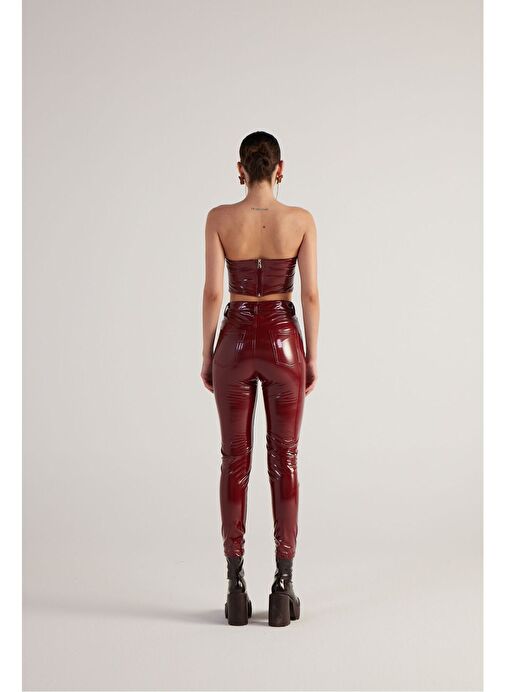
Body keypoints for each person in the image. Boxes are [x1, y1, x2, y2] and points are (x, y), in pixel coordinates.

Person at [201, 131, 319, 626]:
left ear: (240, 170)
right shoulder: (300, 220)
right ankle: (283, 586)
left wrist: (207, 353)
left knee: (235, 460)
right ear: (280, 169)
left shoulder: (219, 219)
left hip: (234, 339)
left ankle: (234, 587)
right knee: (283, 458)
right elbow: (310, 295)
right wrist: (310, 356)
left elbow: (213, 292)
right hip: (283, 340)